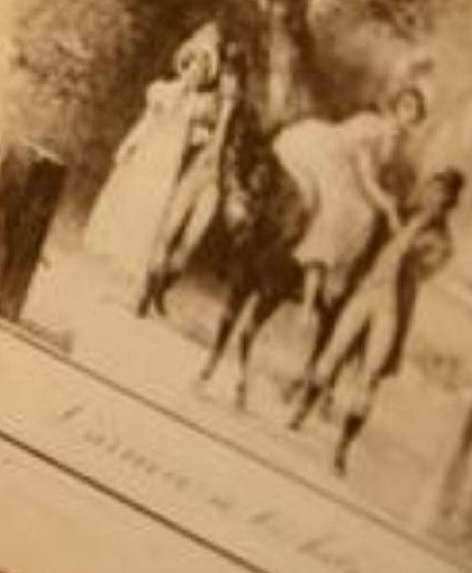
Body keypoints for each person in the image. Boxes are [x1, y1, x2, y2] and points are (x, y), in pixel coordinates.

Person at [289, 169, 464, 476]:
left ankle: (342, 448)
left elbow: (418, 272)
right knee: (332, 354)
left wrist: (406, 235)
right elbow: (368, 247)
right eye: (431, 190)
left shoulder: (442, 242)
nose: (432, 198)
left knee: (368, 378)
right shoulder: (399, 213)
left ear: (448, 204)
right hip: (365, 293)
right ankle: (301, 413)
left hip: (391, 309)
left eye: (440, 196)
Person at [272, 74, 431, 389]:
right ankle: (309, 299)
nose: (408, 116)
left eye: (414, 113)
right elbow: (364, 170)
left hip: (361, 186)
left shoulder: (400, 145)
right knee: (350, 214)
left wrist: (390, 200)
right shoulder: (373, 127)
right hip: (340, 171)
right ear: (396, 107)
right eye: (405, 107)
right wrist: (384, 204)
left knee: (367, 219)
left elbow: (389, 180)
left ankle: (340, 283)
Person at [83, 22, 221, 303]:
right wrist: (128, 145)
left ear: (205, 76)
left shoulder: (200, 106)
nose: (194, 72)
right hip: (149, 152)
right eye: (191, 65)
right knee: (128, 201)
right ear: (183, 65)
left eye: (201, 70)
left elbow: (200, 138)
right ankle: (109, 270)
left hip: (167, 161)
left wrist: (198, 136)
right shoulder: (162, 90)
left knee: (152, 210)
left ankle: (131, 278)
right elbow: (146, 123)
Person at [138, 42, 247, 317]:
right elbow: (178, 128)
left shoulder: (244, 119)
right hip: (190, 174)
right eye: (225, 81)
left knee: (189, 244)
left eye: (234, 83)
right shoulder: (205, 103)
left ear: (240, 86)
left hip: (215, 183)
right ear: (220, 80)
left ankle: (161, 288)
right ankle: (145, 293)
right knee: (168, 231)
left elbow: (246, 155)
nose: (229, 88)